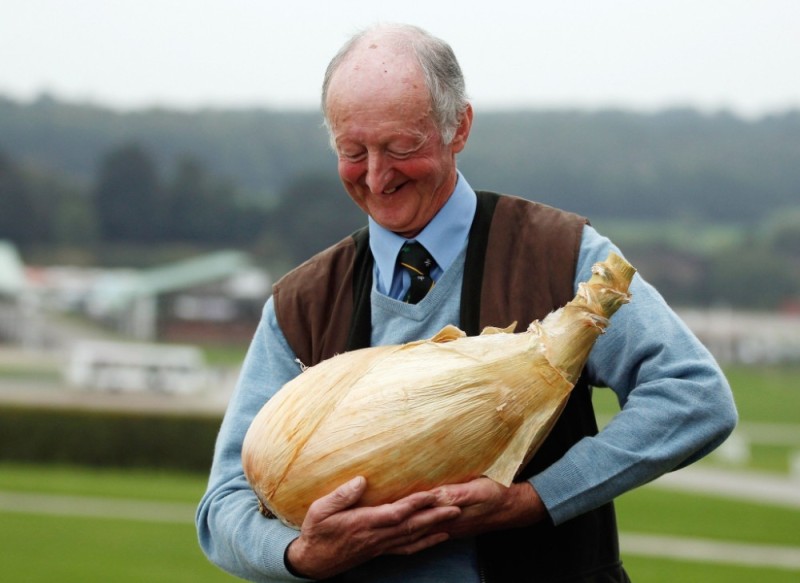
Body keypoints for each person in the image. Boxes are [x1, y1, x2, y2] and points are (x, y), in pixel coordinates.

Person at [196, 23, 737, 582]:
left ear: (460, 127)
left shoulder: (561, 256)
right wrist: (301, 555)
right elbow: (225, 506)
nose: (377, 178)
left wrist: (532, 500)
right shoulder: (301, 303)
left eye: (401, 147)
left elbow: (694, 397)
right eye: (352, 151)